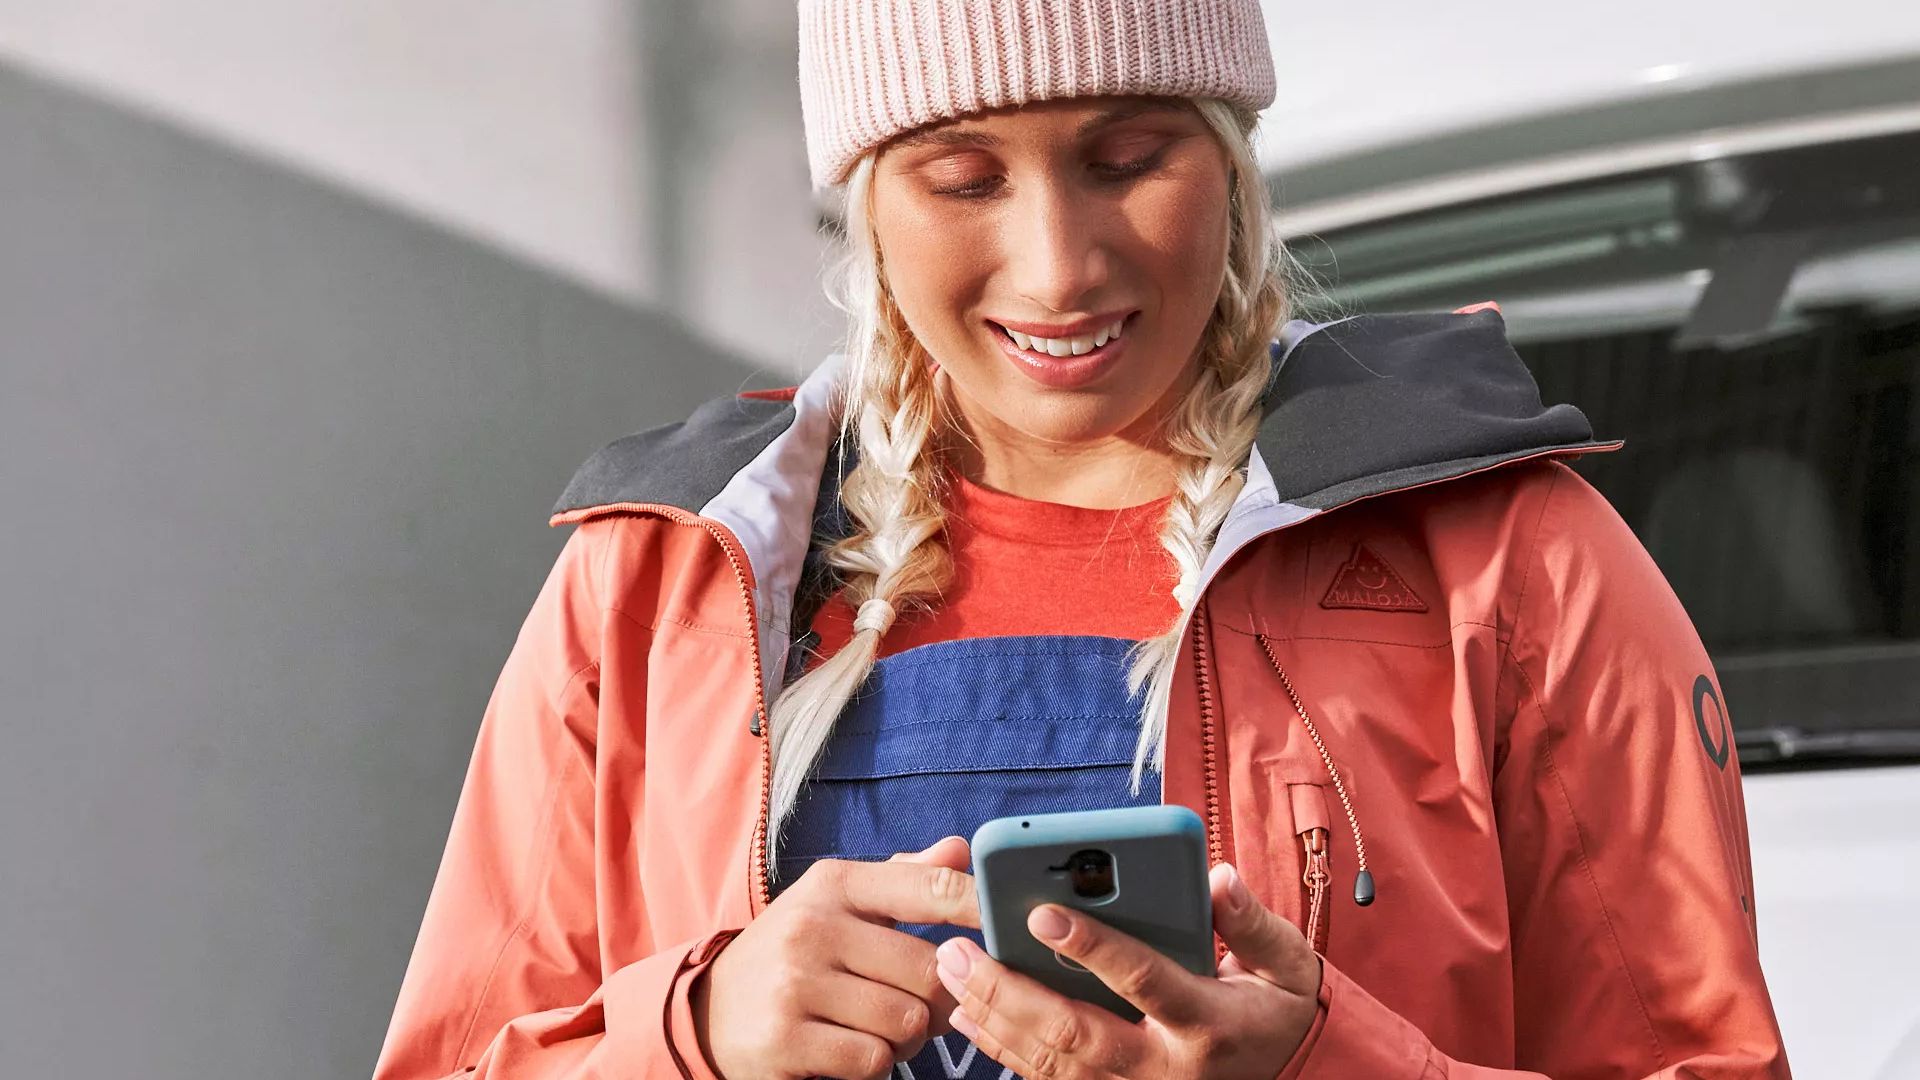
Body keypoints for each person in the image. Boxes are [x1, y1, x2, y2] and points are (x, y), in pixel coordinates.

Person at [373, 2, 1792, 1077]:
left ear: (1230, 162)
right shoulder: (655, 585)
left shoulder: (1511, 563)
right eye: (964, 176)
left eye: (1128, 159)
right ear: (865, 202)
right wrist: (697, 1038)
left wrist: (1319, 1061)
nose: (1059, 264)